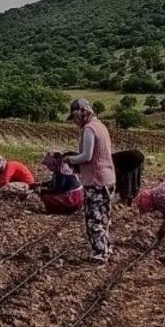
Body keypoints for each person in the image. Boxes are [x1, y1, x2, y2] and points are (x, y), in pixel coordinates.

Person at [64, 98, 115, 261]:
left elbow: (87, 156)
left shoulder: (89, 129)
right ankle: (106, 247)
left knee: (94, 218)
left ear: (82, 113)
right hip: (108, 177)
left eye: (75, 117)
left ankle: (100, 253)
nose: (75, 121)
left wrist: (69, 159)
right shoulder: (101, 126)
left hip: (95, 180)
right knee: (104, 215)